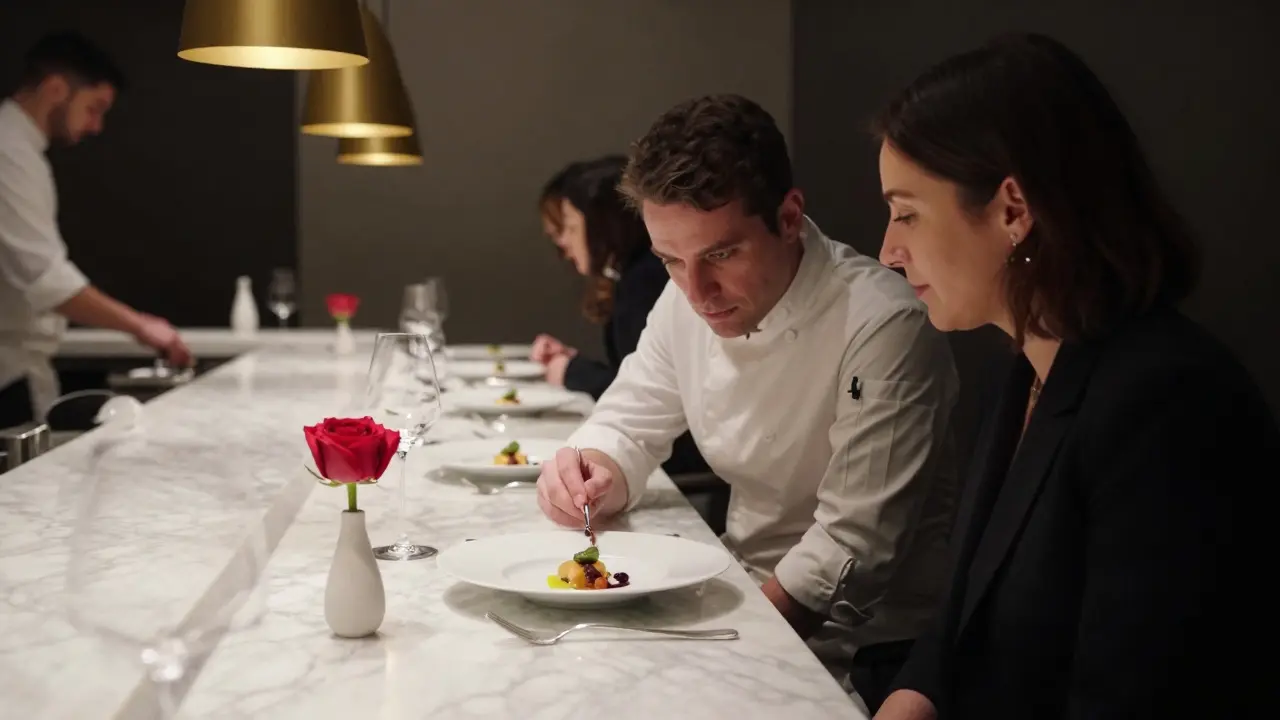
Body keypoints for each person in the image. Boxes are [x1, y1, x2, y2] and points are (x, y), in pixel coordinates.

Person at [871, 33, 1276, 719]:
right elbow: (959, 626)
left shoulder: (1169, 403)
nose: (887, 251)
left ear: (1013, 211)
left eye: (907, 212)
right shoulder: (1027, 372)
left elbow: (1131, 696)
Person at [534, 94, 962, 707]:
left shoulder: (883, 323)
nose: (697, 290)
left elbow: (850, 545)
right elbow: (629, 417)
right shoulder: (684, 298)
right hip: (736, 595)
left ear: (789, 217)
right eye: (671, 261)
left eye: (721, 254)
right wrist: (590, 469)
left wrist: (720, 648)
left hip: (860, 656)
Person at [0, 32, 191, 428]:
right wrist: (141, 326)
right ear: (55, 88)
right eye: (94, 107)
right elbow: (47, 279)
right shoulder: (8, 152)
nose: (97, 126)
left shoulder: (21, 150)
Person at [531, 155, 712, 477]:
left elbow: (649, 400)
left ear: (604, 225)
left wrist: (574, 371)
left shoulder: (646, 281)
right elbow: (642, 376)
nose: (562, 243)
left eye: (570, 228)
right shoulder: (634, 277)